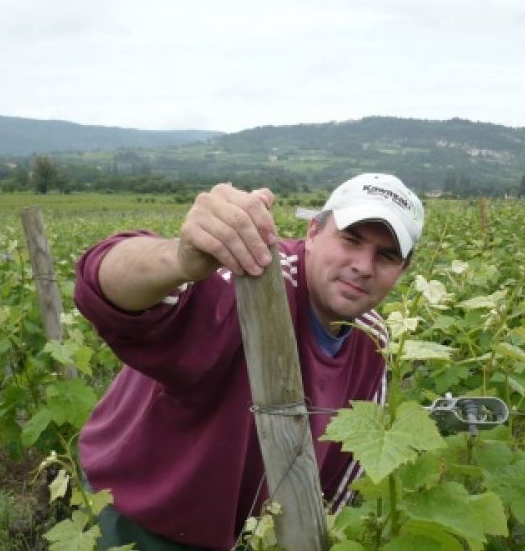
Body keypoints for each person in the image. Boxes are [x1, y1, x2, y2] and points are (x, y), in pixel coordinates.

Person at [73, 173, 425, 550]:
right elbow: (100, 288)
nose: (363, 266)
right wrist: (178, 259)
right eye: (351, 240)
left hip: (251, 537)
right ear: (313, 231)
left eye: (386, 256)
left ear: (403, 271)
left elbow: (341, 474)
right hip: (139, 516)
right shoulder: (249, 281)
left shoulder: (375, 342)